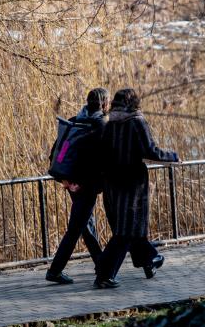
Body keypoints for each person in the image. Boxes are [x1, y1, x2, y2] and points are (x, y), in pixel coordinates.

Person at [94, 88, 179, 289]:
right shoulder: (136, 122)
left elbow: (101, 156)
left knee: (131, 230)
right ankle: (104, 274)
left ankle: (150, 259)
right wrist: (173, 157)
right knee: (125, 233)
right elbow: (150, 150)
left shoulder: (110, 124)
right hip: (132, 185)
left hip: (112, 185)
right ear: (134, 103)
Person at [45, 88, 110, 284]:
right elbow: (106, 158)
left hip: (73, 185)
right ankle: (55, 271)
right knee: (75, 228)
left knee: (85, 225)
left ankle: (102, 265)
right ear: (105, 104)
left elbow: (56, 154)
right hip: (87, 185)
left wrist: (65, 181)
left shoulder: (74, 120)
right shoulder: (102, 125)